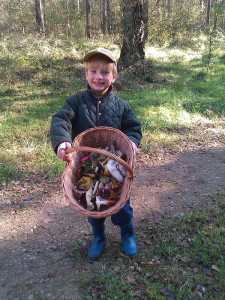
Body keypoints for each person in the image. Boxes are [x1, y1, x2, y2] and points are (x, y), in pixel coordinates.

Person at [50, 47, 142, 260]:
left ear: (114, 76)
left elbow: (133, 127)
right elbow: (61, 119)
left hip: (114, 164)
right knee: (91, 204)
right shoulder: (76, 102)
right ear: (86, 74)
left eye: (105, 72)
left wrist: (132, 142)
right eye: (93, 71)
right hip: (87, 165)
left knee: (121, 207)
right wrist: (62, 142)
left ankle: (127, 233)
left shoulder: (121, 106)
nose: (98, 77)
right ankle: (98, 236)